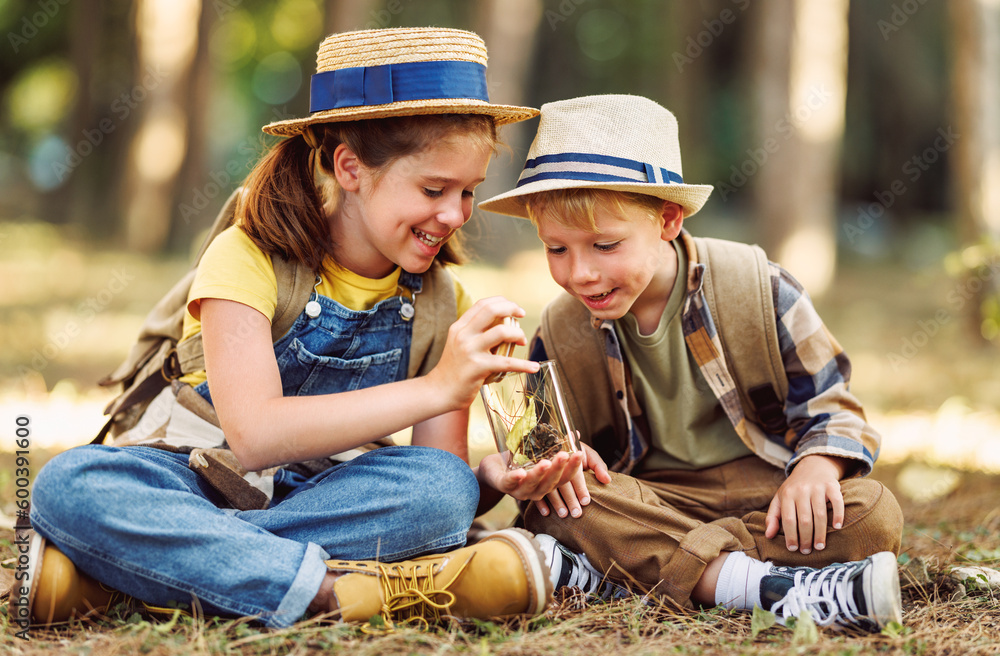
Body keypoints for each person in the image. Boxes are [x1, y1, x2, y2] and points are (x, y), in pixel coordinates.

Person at [19, 28, 585, 630]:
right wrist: (438, 388)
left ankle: (137, 577)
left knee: (444, 488)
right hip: (201, 477)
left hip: (334, 497)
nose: (454, 214)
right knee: (68, 484)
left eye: (468, 191)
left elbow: (435, 487)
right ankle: (332, 594)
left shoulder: (444, 304)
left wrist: (493, 480)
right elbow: (256, 435)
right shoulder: (248, 256)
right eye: (432, 189)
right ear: (350, 167)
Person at [478, 94, 905, 631]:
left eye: (605, 245)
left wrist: (818, 468)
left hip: (767, 493)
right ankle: (769, 587)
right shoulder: (559, 331)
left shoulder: (759, 287)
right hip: (653, 499)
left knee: (871, 512)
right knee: (560, 508)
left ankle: (637, 571)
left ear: (668, 220)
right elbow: (539, 454)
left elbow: (834, 407)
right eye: (556, 250)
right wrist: (559, 460)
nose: (580, 273)